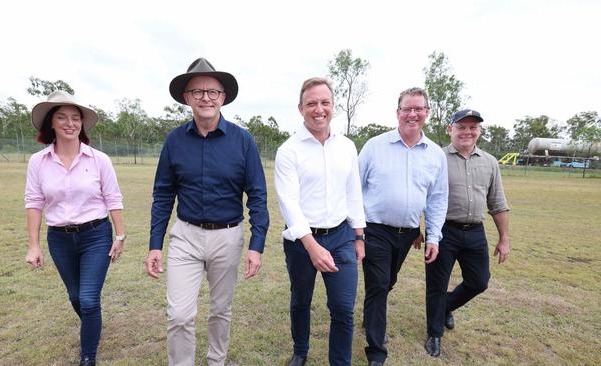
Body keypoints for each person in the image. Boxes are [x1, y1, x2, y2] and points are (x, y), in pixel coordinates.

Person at [145, 58, 269, 366]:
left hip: (227, 237)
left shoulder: (243, 140)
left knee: (220, 310)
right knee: (179, 315)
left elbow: (257, 195)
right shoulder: (174, 140)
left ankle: (217, 361)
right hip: (185, 236)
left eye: (212, 91)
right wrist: (154, 244)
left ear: (223, 97)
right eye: (197, 91)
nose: (206, 97)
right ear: (186, 97)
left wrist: (256, 246)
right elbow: (162, 194)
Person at [24, 90, 125, 366]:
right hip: (59, 239)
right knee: (75, 296)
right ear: (51, 123)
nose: (70, 123)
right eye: (62, 117)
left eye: (76, 118)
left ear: (82, 123)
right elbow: (34, 202)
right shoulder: (38, 162)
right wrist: (33, 246)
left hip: (96, 235)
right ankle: (93, 326)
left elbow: (113, 198)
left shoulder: (99, 160)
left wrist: (120, 235)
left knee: (89, 299)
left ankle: (87, 357)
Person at [274, 77, 366, 366]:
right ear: (301, 108)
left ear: (333, 107)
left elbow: (353, 192)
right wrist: (312, 246)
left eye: (324, 102)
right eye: (311, 103)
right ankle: (300, 351)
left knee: (343, 308)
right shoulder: (289, 151)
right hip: (302, 242)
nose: (319, 109)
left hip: (341, 237)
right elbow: (289, 203)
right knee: (301, 300)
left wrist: (359, 236)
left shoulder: (348, 147)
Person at [358, 87, 448, 366]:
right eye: (407, 108)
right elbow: (354, 189)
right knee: (378, 284)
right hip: (375, 230)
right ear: (397, 113)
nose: (412, 114)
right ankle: (376, 352)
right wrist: (356, 230)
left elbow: (437, 198)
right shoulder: (375, 146)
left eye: (418, 108)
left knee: (387, 283)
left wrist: (433, 236)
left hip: (408, 234)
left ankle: (370, 315)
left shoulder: (435, 155)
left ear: (427, 113)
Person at [424, 109, 510, 357]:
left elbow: (498, 203)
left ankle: (444, 308)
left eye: (473, 127)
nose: (467, 132)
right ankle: (434, 333)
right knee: (436, 285)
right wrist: (420, 231)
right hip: (443, 231)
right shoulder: (436, 158)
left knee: (479, 281)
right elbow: (423, 196)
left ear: (479, 131)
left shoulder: (490, 162)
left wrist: (504, 239)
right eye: (461, 127)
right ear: (450, 129)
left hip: (475, 232)